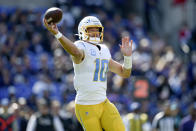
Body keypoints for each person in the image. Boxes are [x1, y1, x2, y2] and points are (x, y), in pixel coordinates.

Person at [43, 15, 132, 131]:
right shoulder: (81, 46)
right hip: (86, 105)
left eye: (96, 30)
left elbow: (124, 73)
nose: (95, 33)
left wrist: (128, 57)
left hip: (103, 102)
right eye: (91, 30)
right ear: (82, 31)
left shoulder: (104, 49)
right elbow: (75, 52)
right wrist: (57, 34)